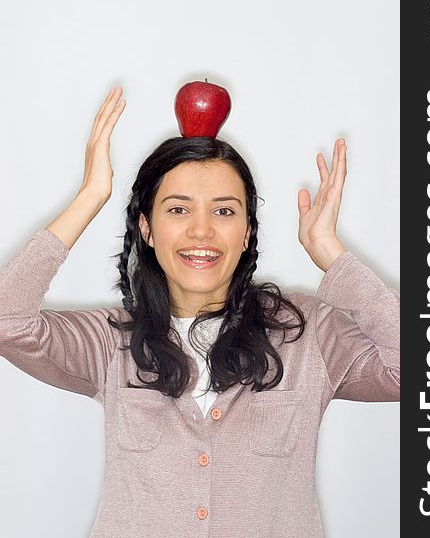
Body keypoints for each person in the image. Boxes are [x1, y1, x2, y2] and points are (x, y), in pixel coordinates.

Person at [0, 85, 399, 538]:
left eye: (225, 211)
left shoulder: (306, 333)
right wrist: (90, 196)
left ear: (248, 231)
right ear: (146, 229)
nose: (201, 231)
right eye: (177, 209)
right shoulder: (110, 342)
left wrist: (332, 255)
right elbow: (7, 322)